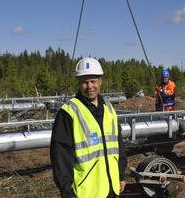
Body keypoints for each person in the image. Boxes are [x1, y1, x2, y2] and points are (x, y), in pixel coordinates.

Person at [50, 57, 127, 198]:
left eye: (93, 81)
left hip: (111, 188)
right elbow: (60, 156)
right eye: (85, 82)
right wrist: (67, 191)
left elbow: (118, 145)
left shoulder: (109, 109)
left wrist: (121, 175)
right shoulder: (68, 113)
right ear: (79, 83)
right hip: (86, 192)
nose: (89, 86)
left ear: (100, 81)